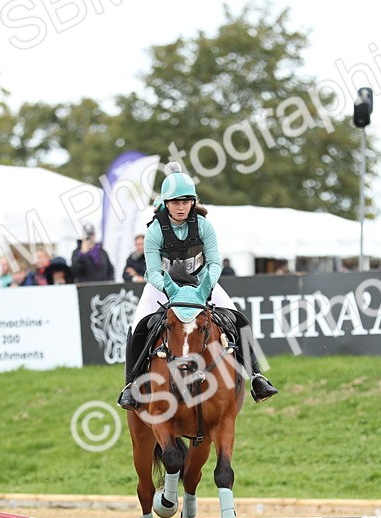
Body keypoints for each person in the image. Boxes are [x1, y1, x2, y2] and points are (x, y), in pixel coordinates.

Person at [117, 163, 277, 410]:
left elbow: (214, 263)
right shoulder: (155, 231)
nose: (181, 207)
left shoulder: (204, 226)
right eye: (175, 202)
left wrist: (206, 286)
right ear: (167, 203)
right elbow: (151, 272)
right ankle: (131, 386)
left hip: (200, 283)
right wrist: (170, 289)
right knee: (138, 326)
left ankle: (256, 377)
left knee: (238, 319)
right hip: (163, 285)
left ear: (192, 202)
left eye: (186, 202)